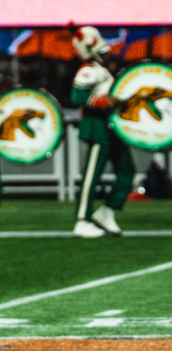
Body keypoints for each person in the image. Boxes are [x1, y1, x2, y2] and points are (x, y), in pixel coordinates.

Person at [69, 26, 133, 238]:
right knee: (91, 177)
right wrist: (107, 102)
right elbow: (77, 97)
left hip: (111, 128)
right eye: (103, 51)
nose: (108, 53)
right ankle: (82, 220)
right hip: (97, 128)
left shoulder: (103, 71)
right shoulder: (87, 71)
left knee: (127, 172)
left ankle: (106, 212)